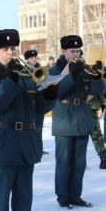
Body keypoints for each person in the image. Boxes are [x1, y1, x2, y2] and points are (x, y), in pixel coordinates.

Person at [0, 29, 57, 211]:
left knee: (24, 200)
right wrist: (10, 80)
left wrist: (50, 96)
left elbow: (38, 109)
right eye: (5, 48)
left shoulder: (27, 76)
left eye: (13, 48)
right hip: (3, 146)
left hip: (26, 145)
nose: (11, 52)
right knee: (0, 201)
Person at [50, 35, 104, 208]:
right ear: (63, 51)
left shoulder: (82, 68)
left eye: (78, 51)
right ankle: (63, 197)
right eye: (72, 51)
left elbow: (98, 92)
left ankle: (75, 195)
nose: (76, 54)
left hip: (82, 117)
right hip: (64, 119)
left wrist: (97, 76)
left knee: (80, 163)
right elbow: (58, 92)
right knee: (64, 162)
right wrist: (72, 74)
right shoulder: (54, 69)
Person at [24, 50, 49, 155]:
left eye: (35, 57)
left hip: (39, 101)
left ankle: (39, 148)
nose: (34, 59)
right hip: (29, 102)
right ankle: (30, 147)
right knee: (30, 127)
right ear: (27, 59)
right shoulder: (24, 70)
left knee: (39, 127)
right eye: (31, 57)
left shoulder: (40, 69)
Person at [87, 95, 106, 169]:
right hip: (84, 107)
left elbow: (99, 89)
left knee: (96, 135)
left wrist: (103, 104)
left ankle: (104, 159)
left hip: (90, 107)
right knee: (96, 135)